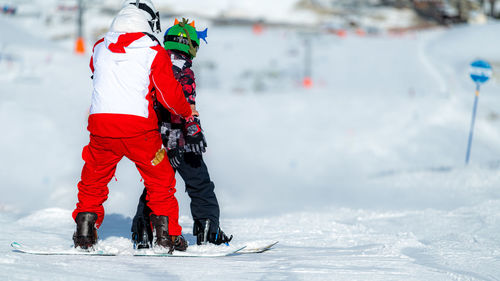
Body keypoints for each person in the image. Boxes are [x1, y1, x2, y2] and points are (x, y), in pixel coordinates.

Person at [72, 1, 194, 253]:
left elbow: (96, 72)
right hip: (139, 129)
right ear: (150, 22)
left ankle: (84, 231)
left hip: (101, 125)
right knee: (160, 179)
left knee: (93, 178)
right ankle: (166, 236)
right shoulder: (152, 50)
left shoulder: (99, 46)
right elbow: (168, 95)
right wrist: (186, 112)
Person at [131, 18, 233, 249]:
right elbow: (183, 105)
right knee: (200, 185)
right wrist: (191, 133)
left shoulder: (153, 65)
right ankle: (209, 232)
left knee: (155, 187)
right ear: (190, 45)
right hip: (182, 141)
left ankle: (144, 232)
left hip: (154, 138)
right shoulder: (183, 70)